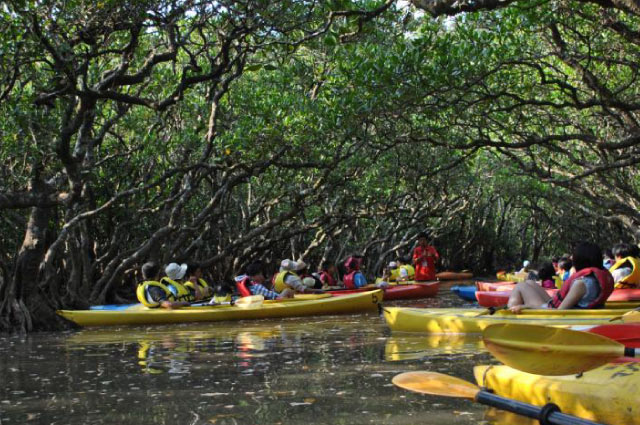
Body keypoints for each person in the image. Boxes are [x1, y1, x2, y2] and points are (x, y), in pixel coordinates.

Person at [507, 241, 614, 312]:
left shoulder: (581, 283)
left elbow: (559, 312)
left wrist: (528, 306)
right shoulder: (597, 278)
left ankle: (511, 319)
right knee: (529, 283)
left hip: (553, 313)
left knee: (520, 286)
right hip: (558, 307)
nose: (572, 258)